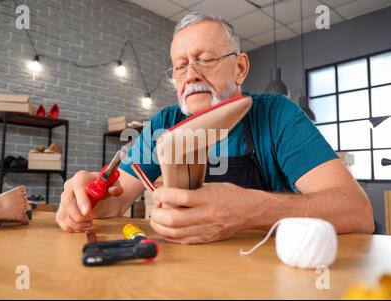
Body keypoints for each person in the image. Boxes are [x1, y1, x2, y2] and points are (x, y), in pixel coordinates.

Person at [56, 12, 374, 243]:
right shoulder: (165, 123)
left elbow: (357, 212)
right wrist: (88, 202)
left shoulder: (277, 114)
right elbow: (118, 198)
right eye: (180, 67)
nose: (190, 75)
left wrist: (252, 210)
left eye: (204, 59)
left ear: (239, 68)